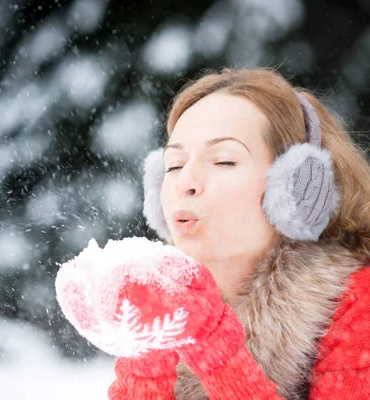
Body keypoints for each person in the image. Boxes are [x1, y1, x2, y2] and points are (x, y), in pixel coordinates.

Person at [56, 68, 370, 399]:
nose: (184, 182)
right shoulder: (166, 297)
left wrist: (216, 346)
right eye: (174, 165)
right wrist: (147, 349)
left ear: (297, 188)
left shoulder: (358, 301)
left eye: (222, 161)